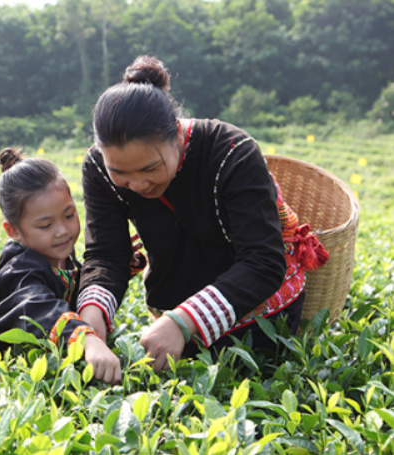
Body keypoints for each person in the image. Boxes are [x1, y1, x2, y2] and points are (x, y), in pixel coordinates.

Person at [76, 55, 328, 372]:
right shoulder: (98, 168)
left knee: (238, 367)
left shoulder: (232, 152)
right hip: (173, 306)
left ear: (178, 137)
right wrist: (90, 321)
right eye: (121, 173)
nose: (137, 184)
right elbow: (105, 253)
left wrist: (184, 322)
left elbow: (263, 261)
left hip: (252, 303)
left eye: (151, 168)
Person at [0, 148, 122, 384]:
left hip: (35, 355)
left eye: (69, 215)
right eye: (46, 225)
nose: (62, 231)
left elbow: (77, 287)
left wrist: (122, 267)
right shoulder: (20, 269)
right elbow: (38, 307)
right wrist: (86, 339)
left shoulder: (59, 252)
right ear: (13, 231)